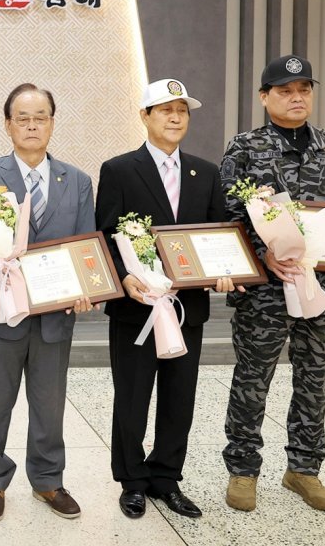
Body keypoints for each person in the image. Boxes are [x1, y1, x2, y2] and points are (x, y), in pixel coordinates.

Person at [220, 55, 325, 513]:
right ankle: (243, 469)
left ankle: (304, 469)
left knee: (314, 379)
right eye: (285, 90)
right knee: (253, 379)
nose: (297, 97)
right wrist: (260, 254)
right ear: (265, 97)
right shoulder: (244, 148)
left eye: (304, 89)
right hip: (265, 291)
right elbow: (229, 219)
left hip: (322, 288)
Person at [96, 79, 235, 520]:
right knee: (132, 397)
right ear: (145, 116)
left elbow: (218, 234)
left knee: (180, 398)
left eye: (182, 111)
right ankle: (132, 481)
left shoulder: (205, 172)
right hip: (136, 308)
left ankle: (166, 478)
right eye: (165, 110)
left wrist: (224, 272)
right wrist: (124, 278)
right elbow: (105, 235)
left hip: (186, 308)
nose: (175, 118)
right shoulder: (119, 170)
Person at [0, 84, 96, 522]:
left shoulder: (77, 181)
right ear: (8, 125)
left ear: (53, 123)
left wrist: (88, 285)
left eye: (41, 117)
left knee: (49, 403)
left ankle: (47, 480)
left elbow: (86, 245)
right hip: (0, 315)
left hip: (54, 317)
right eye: (22, 118)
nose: (32, 125)